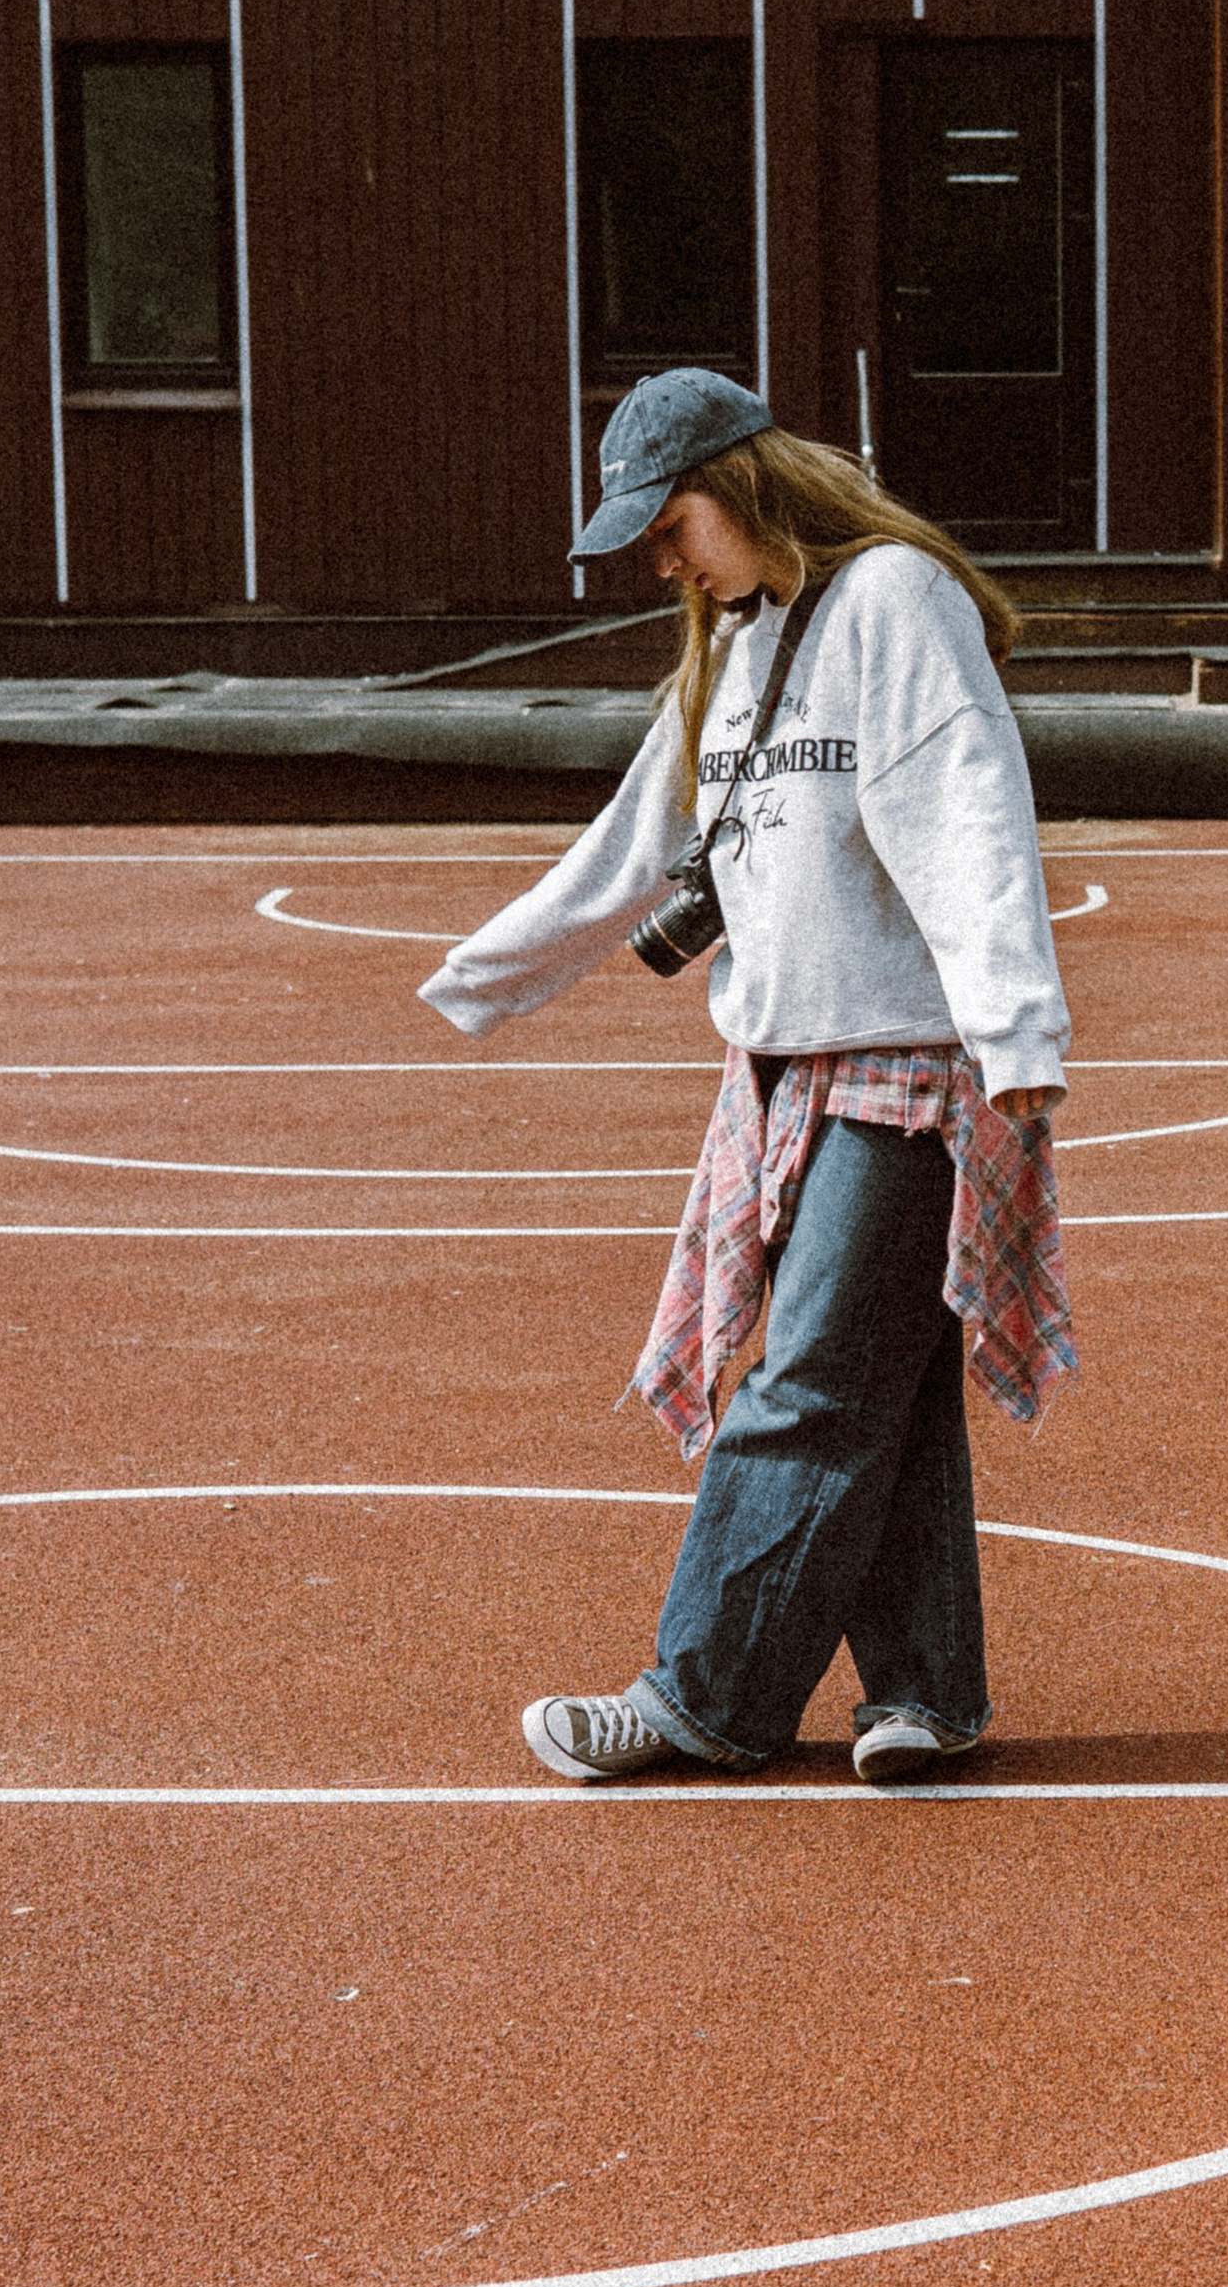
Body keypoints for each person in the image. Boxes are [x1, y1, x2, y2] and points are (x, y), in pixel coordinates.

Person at [420, 368, 1075, 1787]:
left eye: (669, 529)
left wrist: (1019, 1034)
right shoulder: (736, 646)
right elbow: (634, 839)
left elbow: (971, 808)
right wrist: (487, 976)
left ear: (750, 483)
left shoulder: (897, 601)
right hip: (779, 1071)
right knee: (879, 1385)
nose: (662, 563)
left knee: (811, 1378)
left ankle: (703, 1696)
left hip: (908, 1061)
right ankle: (926, 1689)